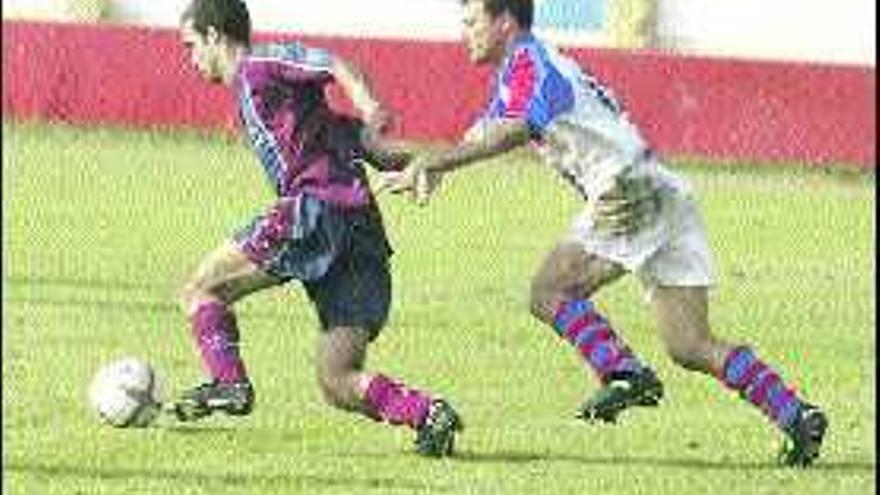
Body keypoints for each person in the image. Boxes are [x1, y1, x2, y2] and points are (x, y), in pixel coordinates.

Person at [380, 0, 826, 466]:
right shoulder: (524, 68)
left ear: (505, 21)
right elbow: (483, 133)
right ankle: (797, 414)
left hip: (629, 190)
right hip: (661, 189)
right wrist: (432, 163)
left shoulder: (530, 63)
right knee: (689, 344)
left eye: (472, 20)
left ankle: (623, 372)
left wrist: (437, 160)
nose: (464, 31)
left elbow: (511, 131)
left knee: (549, 291)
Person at [173, 0, 462, 457]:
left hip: (313, 212)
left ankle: (228, 383)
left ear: (214, 36)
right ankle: (427, 412)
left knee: (199, 290)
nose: (190, 59)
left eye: (191, 45)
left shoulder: (258, 68)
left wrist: (371, 106)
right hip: (361, 233)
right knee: (336, 377)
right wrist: (424, 160)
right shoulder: (313, 117)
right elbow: (379, 151)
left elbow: (332, 62)